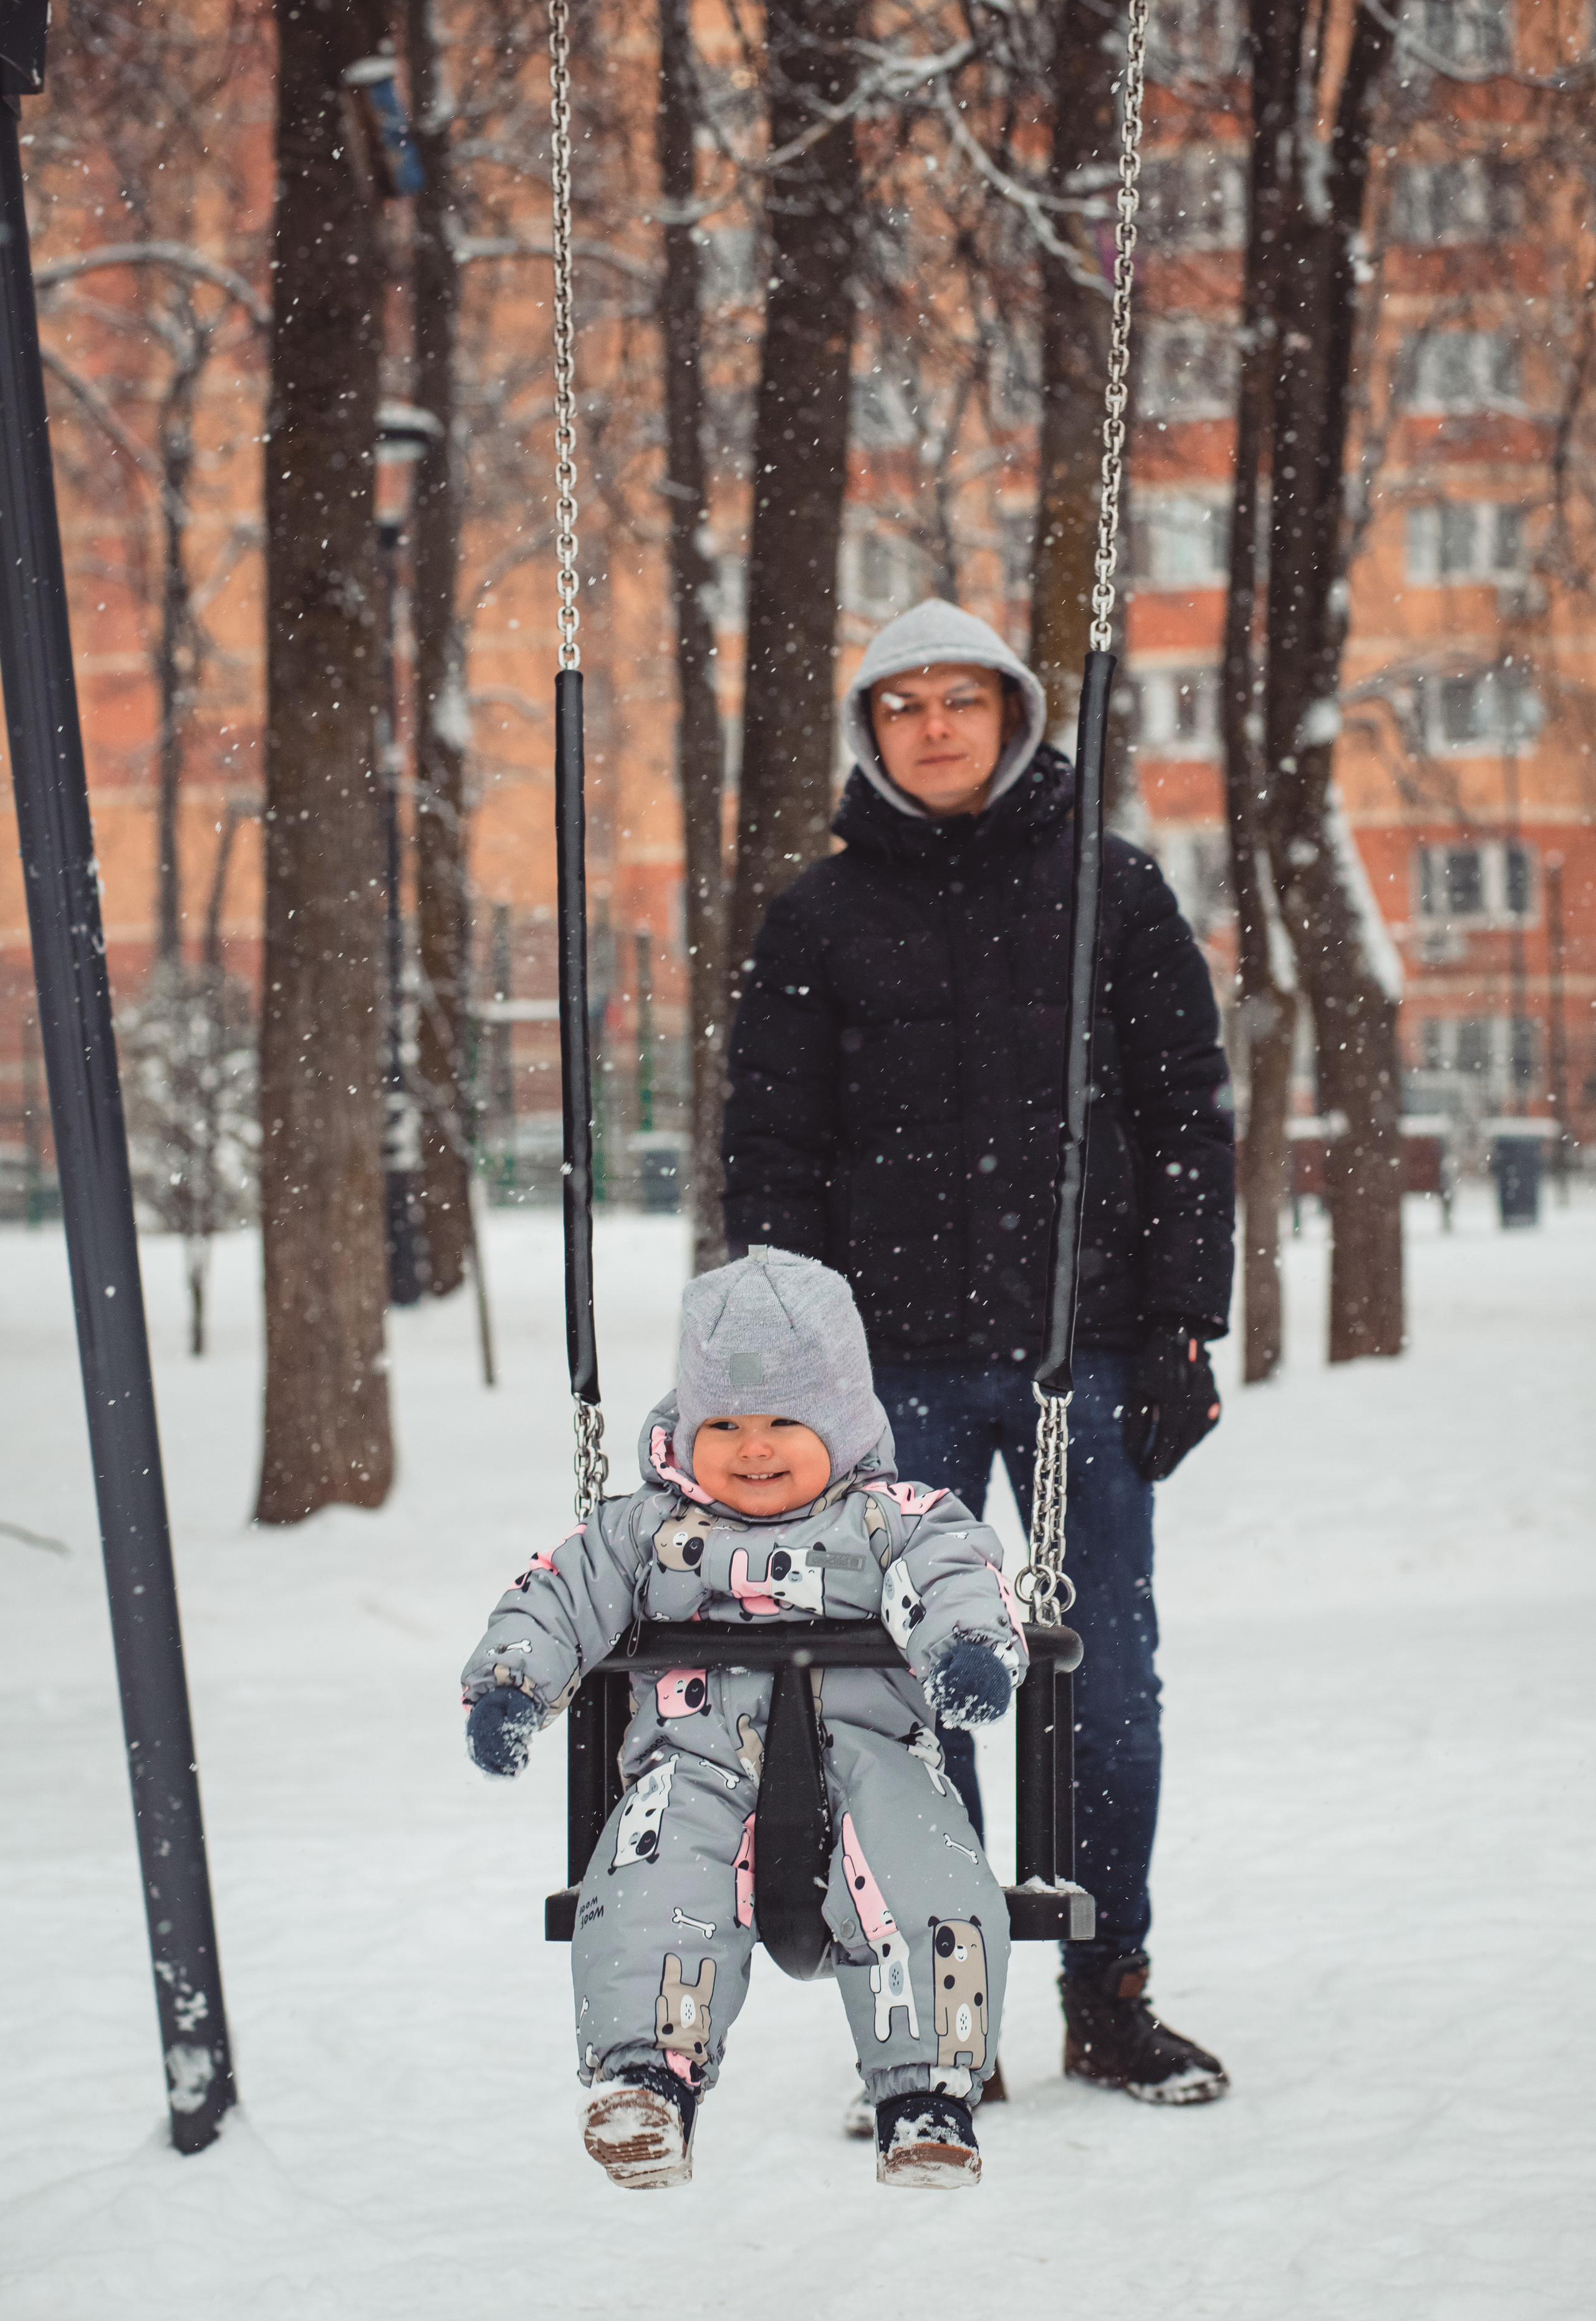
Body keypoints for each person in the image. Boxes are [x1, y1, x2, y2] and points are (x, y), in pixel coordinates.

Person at [723, 599, 1236, 2105]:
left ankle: (1107, 1982)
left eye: (961, 698)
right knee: (903, 1687)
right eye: (900, 703)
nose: (933, 724)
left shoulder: (1112, 893)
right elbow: (772, 1158)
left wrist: (1181, 1324)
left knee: (1102, 1682)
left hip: (1081, 1359)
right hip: (886, 1382)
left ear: (1011, 713)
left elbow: (1185, 1123)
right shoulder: (813, 922)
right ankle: (944, 1998)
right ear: (870, 731)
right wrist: (784, 1370)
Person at [460, 1246, 1027, 2188]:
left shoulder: (894, 1519)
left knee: (930, 1877)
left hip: (871, 1763)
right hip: (696, 1767)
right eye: (723, 1421)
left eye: (783, 1421)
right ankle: (645, 2081)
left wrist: (969, 1647)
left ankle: (927, 2096)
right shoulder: (643, 1528)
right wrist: (512, 1685)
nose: (752, 1446)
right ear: (687, 1426)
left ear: (841, 1421)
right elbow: (558, 1591)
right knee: (649, 1883)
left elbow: (956, 1570)